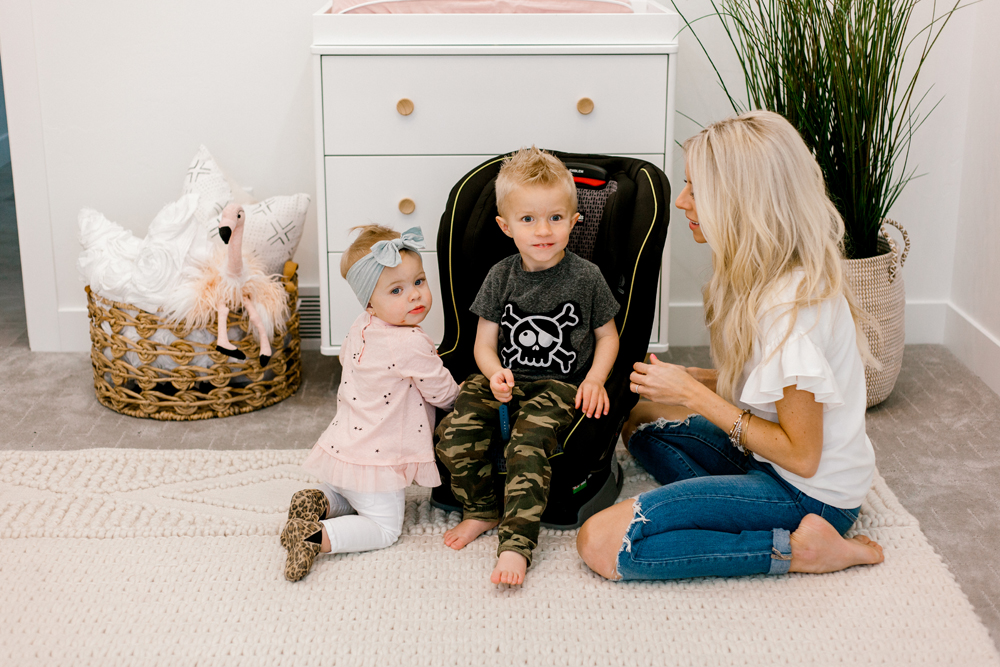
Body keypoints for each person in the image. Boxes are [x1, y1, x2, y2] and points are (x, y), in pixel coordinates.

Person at [576, 111, 885, 581]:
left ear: (742, 201)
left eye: (696, 189)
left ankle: (802, 551)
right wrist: (694, 378)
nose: (682, 201)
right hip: (766, 463)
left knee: (600, 542)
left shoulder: (789, 311)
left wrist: (693, 395)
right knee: (639, 417)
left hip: (809, 494)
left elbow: (802, 456)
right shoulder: (767, 274)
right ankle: (729, 509)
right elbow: (775, 391)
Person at [436, 147, 620, 585]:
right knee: (454, 432)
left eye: (556, 218)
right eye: (528, 219)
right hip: (503, 378)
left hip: (559, 385)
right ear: (506, 226)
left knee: (527, 446)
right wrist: (493, 373)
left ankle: (517, 544)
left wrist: (595, 379)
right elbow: (484, 344)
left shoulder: (587, 277)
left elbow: (608, 336)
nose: (543, 230)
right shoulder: (500, 276)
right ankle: (481, 508)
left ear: (574, 221)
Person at [282, 225, 460, 582]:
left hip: (345, 447)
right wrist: (463, 396)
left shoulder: (361, 325)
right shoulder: (409, 342)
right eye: (397, 290)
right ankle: (316, 536)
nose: (415, 295)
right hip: (379, 460)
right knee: (383, 528)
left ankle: (322, 499)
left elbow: (345, 360)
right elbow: (441, 392)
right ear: (370, 302)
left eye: (419, 281)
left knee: (352, 495)